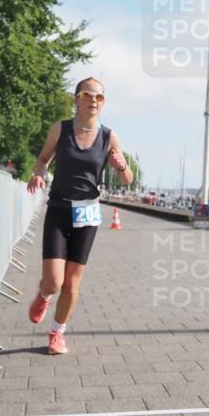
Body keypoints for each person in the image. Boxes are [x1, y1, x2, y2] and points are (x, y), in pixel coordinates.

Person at [26, 77, 133, 355]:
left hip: (88, 211)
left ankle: (57, 333)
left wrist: (122, 166)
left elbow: (127, 180)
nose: (93, 100)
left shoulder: (109, 137)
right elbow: (42, 160)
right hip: (59, 208)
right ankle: (44, 294)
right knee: (54, 281)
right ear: (77, 98)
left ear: (103, 102)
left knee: (72, 283)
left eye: (99, 97)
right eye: (87, 95)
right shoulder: (60, 129)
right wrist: (38, 175)